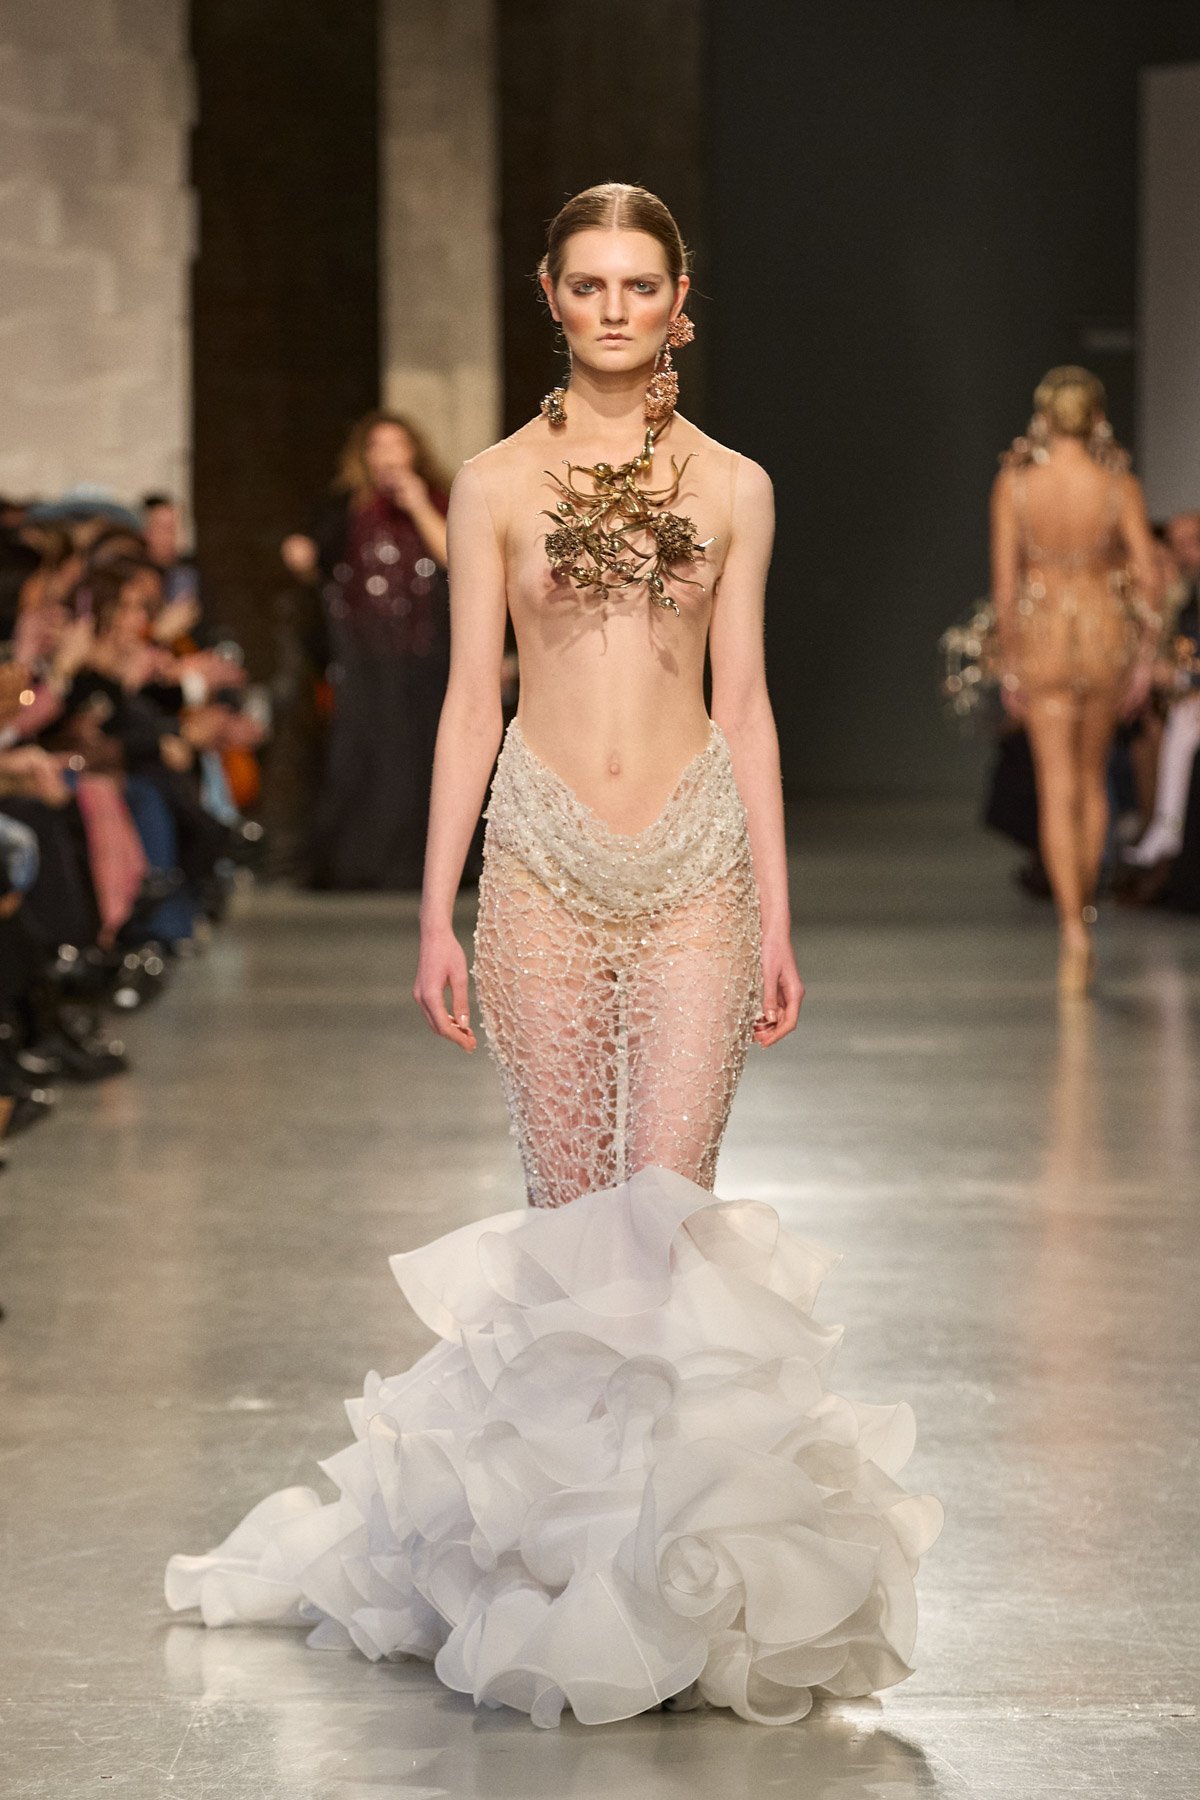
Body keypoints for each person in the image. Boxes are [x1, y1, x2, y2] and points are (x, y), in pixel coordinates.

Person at [166, 184, 942, 1728]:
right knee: (576, 1222)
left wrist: (780, 911)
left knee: (667, 1221)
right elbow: (471, 697)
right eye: (588, 283)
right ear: (550, 296)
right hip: (536, 867)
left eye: (638, 284)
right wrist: (432, 907)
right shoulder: (491, 485)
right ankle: (573, 1581)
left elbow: (747, 704)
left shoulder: (737, 485)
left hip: (699, 866)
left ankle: (664, 1588)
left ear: (679, 301)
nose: (613, 308)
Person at [990, 367, 1160, 994]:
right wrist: (1145, 657)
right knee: (1092, 782)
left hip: (1042, 636)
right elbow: (1150, 576)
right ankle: (1084, 910)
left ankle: (1071, 930)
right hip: (1104, 633)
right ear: (1097, 418)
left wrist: (1008, 661)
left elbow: (1005, 583)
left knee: (1056, 785)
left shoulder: (1016, 485)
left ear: (1042, 417)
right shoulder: (1118, 485)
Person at [282, 411, 453, 890]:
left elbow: (455, 558)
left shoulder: (440, 500)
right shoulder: (347, 506)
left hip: (426, 653)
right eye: (377, 447)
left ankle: (429, 863)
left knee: (423, 753)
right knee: (364, 755)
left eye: (397, 445)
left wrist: (417, 504)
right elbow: (315, 557)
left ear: (414, 452)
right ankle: (358, 863)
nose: (388, 457)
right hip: (364, 656)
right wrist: (299, 553)